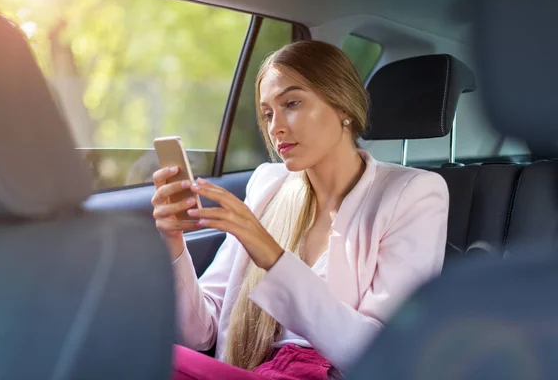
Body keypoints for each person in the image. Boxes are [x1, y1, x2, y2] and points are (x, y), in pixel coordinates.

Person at [151, 40, 449, 379]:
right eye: (266, 114)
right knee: (135, 345)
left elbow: (384, 356)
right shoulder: (268, 184)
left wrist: (272, 257)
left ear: (343, 107)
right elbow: (200, 332)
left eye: (291, 103)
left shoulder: (415, 193)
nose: (275, 127)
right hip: (246, 370)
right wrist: (172, 242)